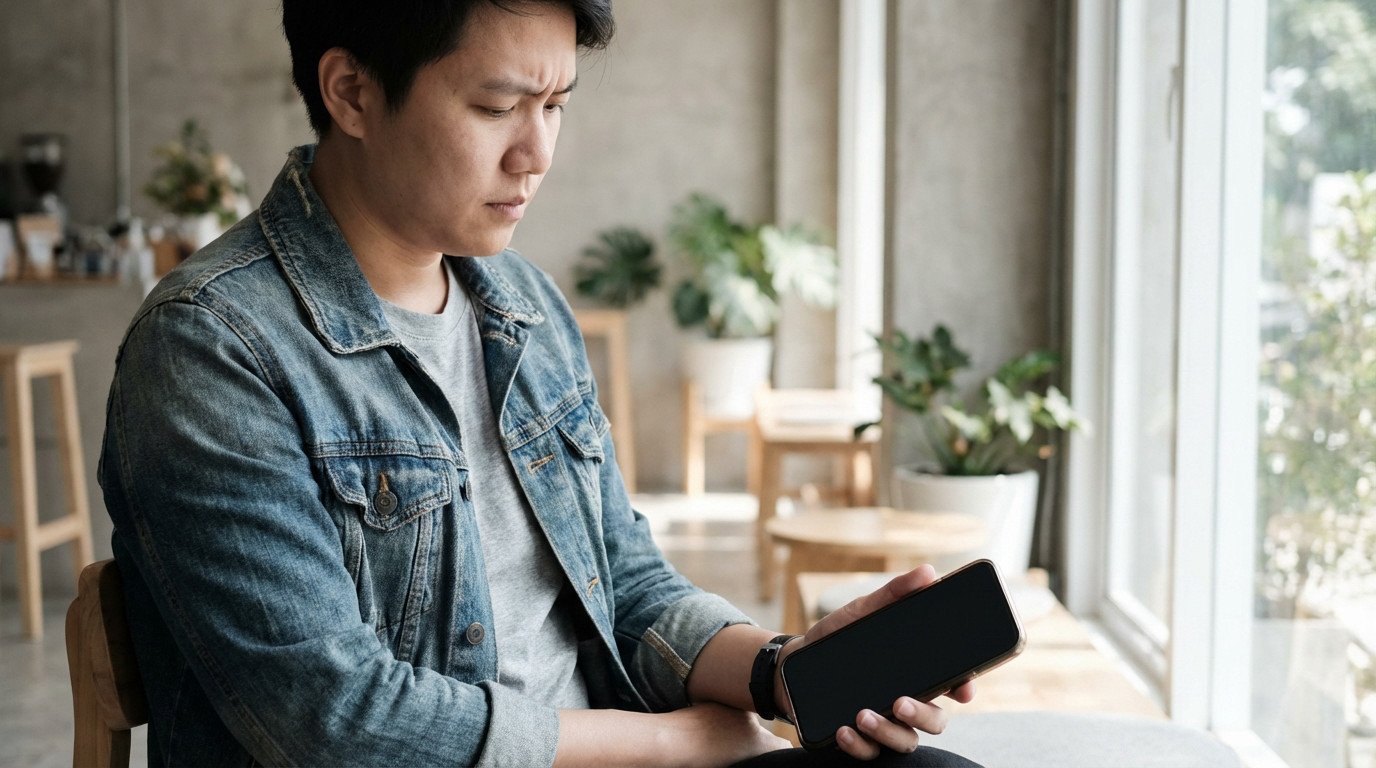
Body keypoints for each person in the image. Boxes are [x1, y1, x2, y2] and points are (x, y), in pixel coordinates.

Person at [98, 1, 982, 765]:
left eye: (555, 105)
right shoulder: (210, 350)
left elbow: (625, 582)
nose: (536, 153)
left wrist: (779, 672)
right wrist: (678, 746)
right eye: (497, 107)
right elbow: (332, 722)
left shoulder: (521, 305)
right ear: (352, 92)